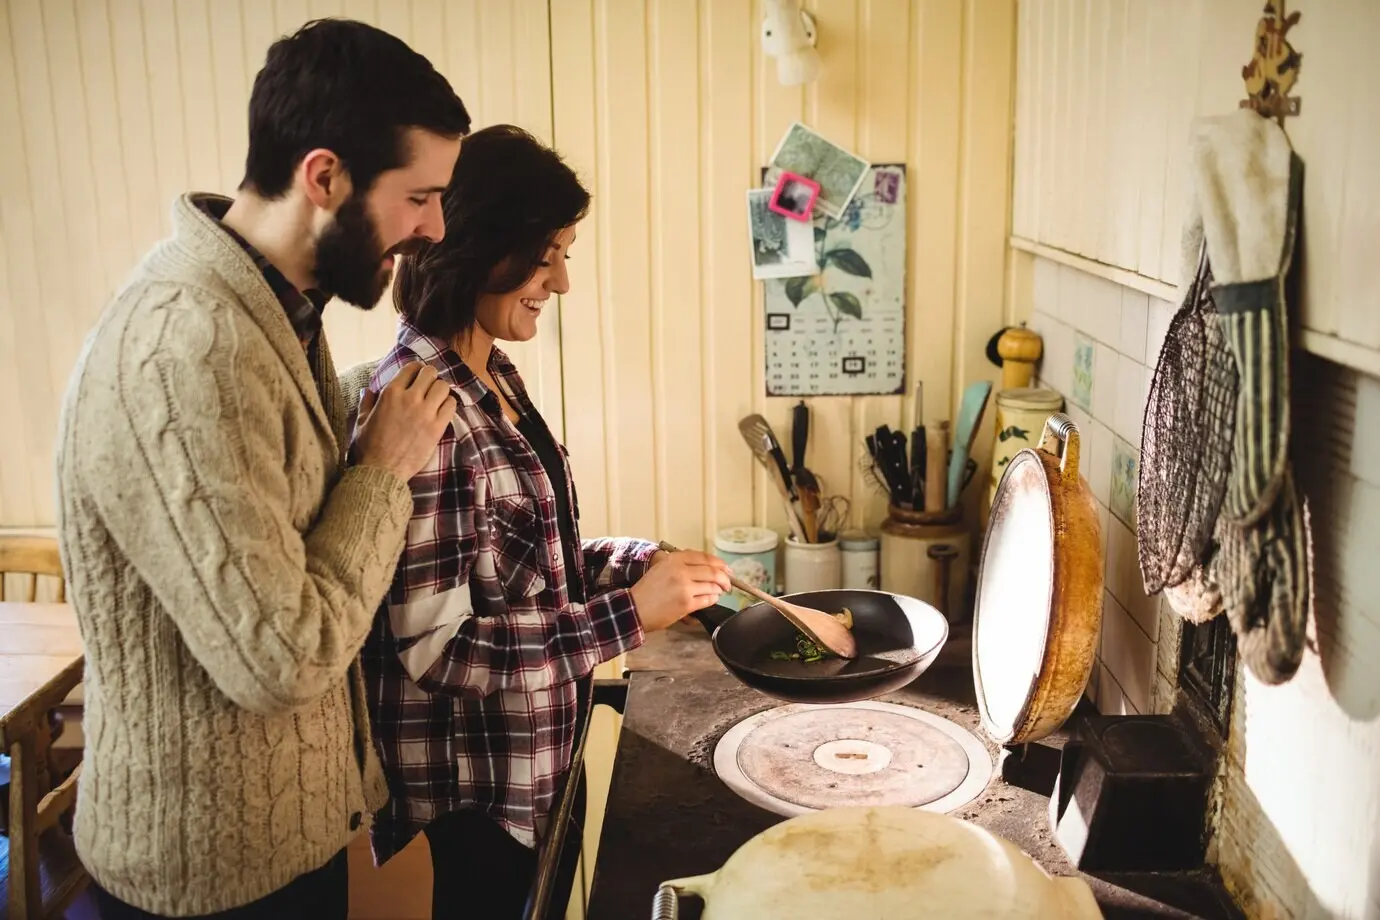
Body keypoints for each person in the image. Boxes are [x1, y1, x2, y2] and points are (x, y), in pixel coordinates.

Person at [54, 19, 470, 919]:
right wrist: (384, 472)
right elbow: (281, 657)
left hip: (284, 846)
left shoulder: (272, 312)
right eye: (420, 197)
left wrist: (378, 405)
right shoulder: (184, 346)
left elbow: (274, 475)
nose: (434, 228)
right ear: (323, 176)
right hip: (206, 880)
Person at [355, 125, 732, 918]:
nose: (559, 282)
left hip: (534, 765)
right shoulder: (425, 410)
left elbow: (527, 560)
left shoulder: (492, 374)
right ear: (481, 246)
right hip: (481, 796)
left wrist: (639, 560)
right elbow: (438, 649)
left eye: (565, 254)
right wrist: (631, 615)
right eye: (545, 254)